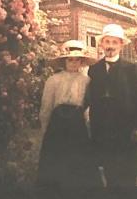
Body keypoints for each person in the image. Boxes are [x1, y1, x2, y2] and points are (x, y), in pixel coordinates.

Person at [37, 40, 101, 192]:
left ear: (81, 61)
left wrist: (87, 124)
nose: (73, 63)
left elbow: (87, 105)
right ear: (64, 61)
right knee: (56, 159)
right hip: (57, 123)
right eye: (70, 60)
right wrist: (45, 127)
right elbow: (46, 106)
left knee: (78, 160)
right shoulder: (53, 80)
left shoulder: (86, 81)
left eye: (77, 60)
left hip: (77, 124)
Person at [86, 24, 137, 187]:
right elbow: (90, 98)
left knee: (127, 174)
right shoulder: (94, 69)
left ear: (120, 45)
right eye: (107, 42)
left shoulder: (130, 69)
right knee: (109, 171)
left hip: (125, 129)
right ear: (102, 44)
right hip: (103, 129)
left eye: (114, 42)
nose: (110, 46)